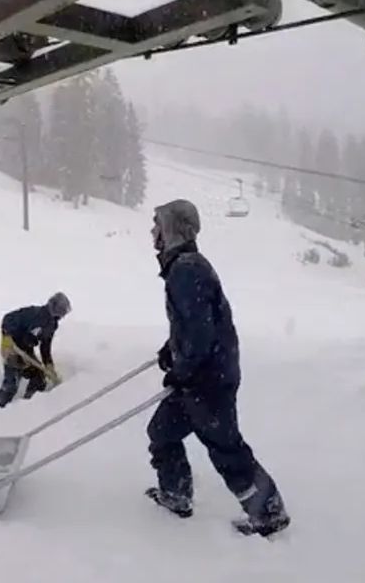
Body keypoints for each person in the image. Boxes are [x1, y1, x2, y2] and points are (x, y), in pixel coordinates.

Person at [145, 198, 290, 537]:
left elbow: (199, 333)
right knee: (162, 432)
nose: (152, 231)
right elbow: (192, 325)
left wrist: (182, 369)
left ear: (171, 230)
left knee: (225, 447)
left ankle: (268, 512)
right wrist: (171, 351)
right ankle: (175, 494)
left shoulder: (186, 270)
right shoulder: (184, 266)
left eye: (157, 225)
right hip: (201, 375)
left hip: (208, 380)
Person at [0, 292, 71, 411]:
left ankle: (28, 407)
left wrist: (49, 365)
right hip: (12, 347)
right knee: (11, 384)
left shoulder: (52, 325)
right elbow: (8, 319)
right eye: (60, 310)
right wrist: (7, 337)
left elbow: (45, 347)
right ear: (53, 306)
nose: (61, 314)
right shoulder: (33, 313)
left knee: (39, 377)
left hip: (26, 350)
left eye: (63, 312)